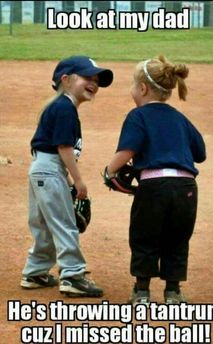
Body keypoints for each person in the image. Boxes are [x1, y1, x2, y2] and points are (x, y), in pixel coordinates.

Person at [105, 55, 206, 305]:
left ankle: (141, 293)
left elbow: (127, 151)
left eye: (132, 84)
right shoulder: (180, 118)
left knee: (144, 236)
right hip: (186, 187)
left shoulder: (138, 116)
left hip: (153, 187)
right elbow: (200, 154)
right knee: (178, 238)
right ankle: (173, 292)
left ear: (142, 88)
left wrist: (108, 171)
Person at [21, 56, 113, 297]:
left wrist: (67, 182)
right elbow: (63, 148)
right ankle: (72, 274)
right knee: (64, 223)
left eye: (96, 80)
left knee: (43, 225)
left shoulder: (61, 107)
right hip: (49, 168)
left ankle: (35, 272)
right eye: (87, 77)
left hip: (43, 169)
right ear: (66, 79)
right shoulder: (64, 107)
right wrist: (78, 181)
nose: (94, 83)